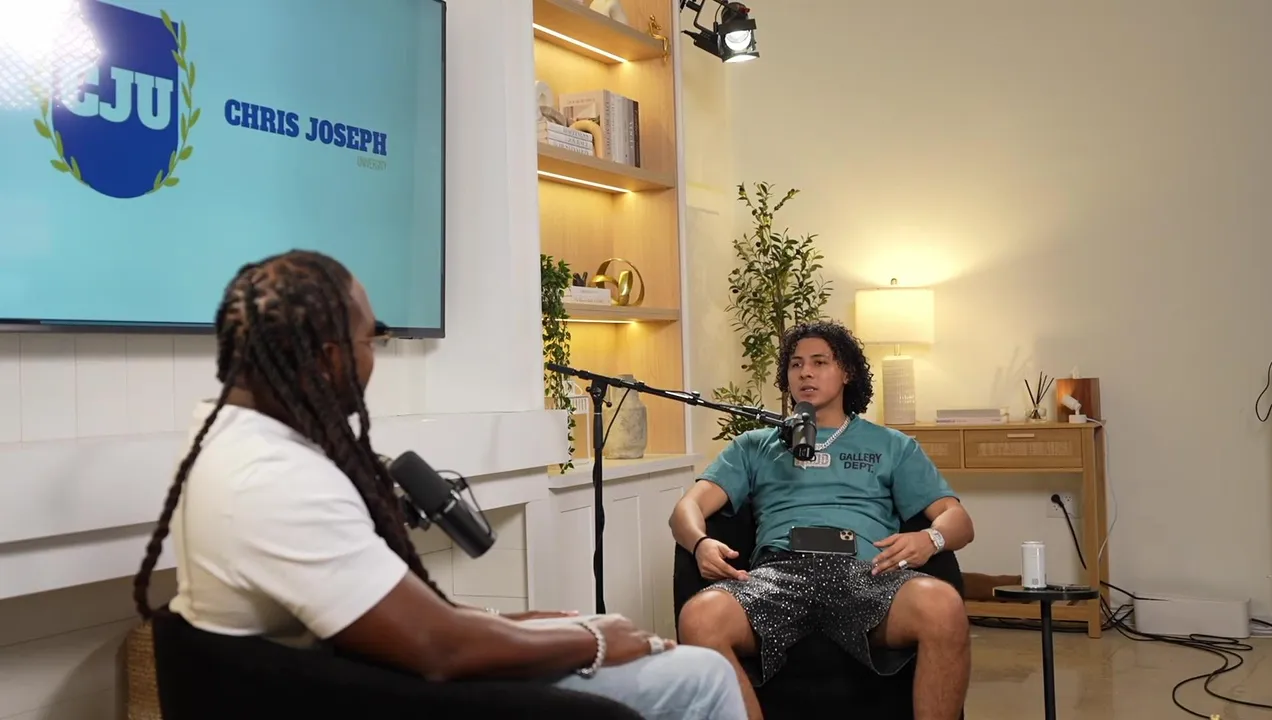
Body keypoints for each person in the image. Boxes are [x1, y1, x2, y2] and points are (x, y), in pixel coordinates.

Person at [131, 249, 746, 720]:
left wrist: (528, 624)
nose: (375, 357)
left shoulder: (230, 441)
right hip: (391, 694)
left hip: (353, 677)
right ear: (328, 357)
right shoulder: (274, 479)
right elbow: (436, 647)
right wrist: (592, 638)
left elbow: (395, 613)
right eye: (373, 338)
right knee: (701, 675)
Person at [669, 320, 975, 720]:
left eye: (819, 362)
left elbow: (958, 520)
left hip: (867, 572)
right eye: (796, 364)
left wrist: (929, 539)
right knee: (699, 618)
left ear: (846, 371)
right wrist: (700, 543)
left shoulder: (891, 445)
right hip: (778, 573)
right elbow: (685, 510)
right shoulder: (755, 446)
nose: (805, 373)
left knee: (944, 607)